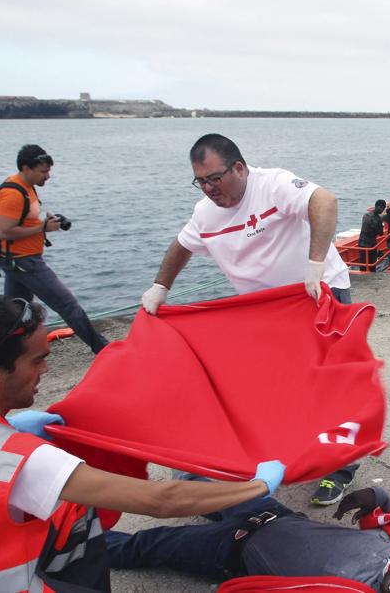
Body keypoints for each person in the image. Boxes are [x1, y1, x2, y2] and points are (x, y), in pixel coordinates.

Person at [0, 294, 285, 593]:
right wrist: (256, 486)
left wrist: (8, 425)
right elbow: (160, 500)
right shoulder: (25, 461)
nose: (45, 370)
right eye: (38, 360)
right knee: (76, 511)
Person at [137, 134, 354, 506]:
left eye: (215, 178)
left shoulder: (272, 185)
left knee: (333, 383)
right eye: (200, 181)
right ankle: (299, 450)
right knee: (280, 386)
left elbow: (325, 201)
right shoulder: (205, 213)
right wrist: (160, 287)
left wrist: (315, 264)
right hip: (266, 312)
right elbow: (182, 245)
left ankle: (341, 470)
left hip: (320, 294)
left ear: (239, 168)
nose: (208, 189)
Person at [105, 484, 390, 592]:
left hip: (229, 548)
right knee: (199, 477)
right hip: (272, 514)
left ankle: (68, 543)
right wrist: (374, 498)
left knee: (146, 545)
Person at [0, 145, 109, 354]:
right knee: (68, 305)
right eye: (43, 171)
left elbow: (23, 222)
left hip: (17, 262)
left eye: (48, 171)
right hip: (25, 262)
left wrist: (45, 223)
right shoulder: (13, 193)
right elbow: (4, 232)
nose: (48, 176)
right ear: (26, 168)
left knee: (14, 315)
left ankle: (2, 355)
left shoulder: (27, 187)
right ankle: (103, 349)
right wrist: (43, 227)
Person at [358, 200, 386, 272]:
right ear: (376, 206)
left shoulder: (379, 218)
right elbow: (367, 229)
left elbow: (380, 233)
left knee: (372, 265)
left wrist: (377, 227)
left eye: (383, 208)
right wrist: (377, 227)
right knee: (363, 265)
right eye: (381, 207)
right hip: (364, 244)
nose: (382, 209)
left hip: (372, 244)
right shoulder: (367, 216)